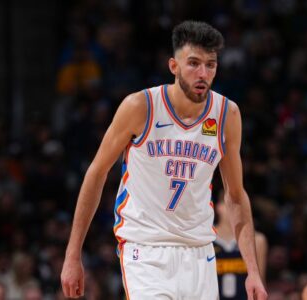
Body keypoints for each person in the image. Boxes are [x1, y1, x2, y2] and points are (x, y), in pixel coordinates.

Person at [61, 20, 268, 300]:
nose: (203, 73)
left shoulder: (226, 114)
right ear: (174, 66)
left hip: (200, 252)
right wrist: (73, 255)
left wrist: (252, 271)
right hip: (146, 250)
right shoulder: (141, 107)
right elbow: (96, 173)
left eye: (210, 65)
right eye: (193, 63)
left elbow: (235, 195)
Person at [214, 193, 268, 299]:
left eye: (238, 204)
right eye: (229, 204)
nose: (234, 209)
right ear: (219, 207)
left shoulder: (257, 240)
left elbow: (261, 284)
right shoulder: (205, 238)